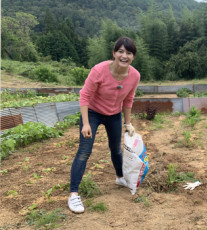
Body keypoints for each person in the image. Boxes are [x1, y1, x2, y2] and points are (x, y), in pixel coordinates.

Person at [68, 37, 140, 213]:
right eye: (121, 51)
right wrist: (86, 124)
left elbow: (128, 100)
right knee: (85, 151)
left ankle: (120, 177)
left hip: (114, 114)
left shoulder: (134, 75)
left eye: (128, 53)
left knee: (116, 148)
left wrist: (128, 123)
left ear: (133, 56)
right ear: (114, 53)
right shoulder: (99, 70)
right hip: (92, 113)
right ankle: (74, 194)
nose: (124, 55)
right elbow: (84, 95)